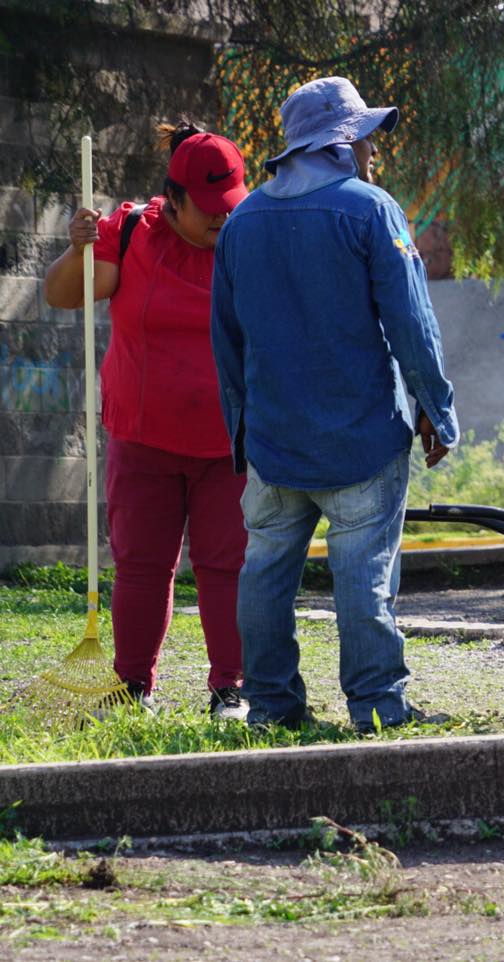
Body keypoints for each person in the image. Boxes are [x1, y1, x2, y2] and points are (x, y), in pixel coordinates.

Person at [211, 77, 458, 731]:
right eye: (369, 136)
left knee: (264, 569)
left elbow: (225, 340)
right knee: (362, 572)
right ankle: (376, 704)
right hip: (361, 437)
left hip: (273, 440)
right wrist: (436, 406)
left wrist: (242, 431)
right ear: (343, 140)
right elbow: (412, 323)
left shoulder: (241, 222)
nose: (375, 149)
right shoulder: (371, 210)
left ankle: (270, 706)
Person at [43, 123, 250, 720]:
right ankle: (134, 687)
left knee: (225, 566)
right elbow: (66, 295)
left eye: (229, 207)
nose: (221, 220)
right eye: (209, 210)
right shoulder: (133, 232)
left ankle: (228, 690)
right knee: (141, 565)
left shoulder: (247, 239)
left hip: (226, 443)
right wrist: (78, 248)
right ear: (175, 198)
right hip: (142, 439)